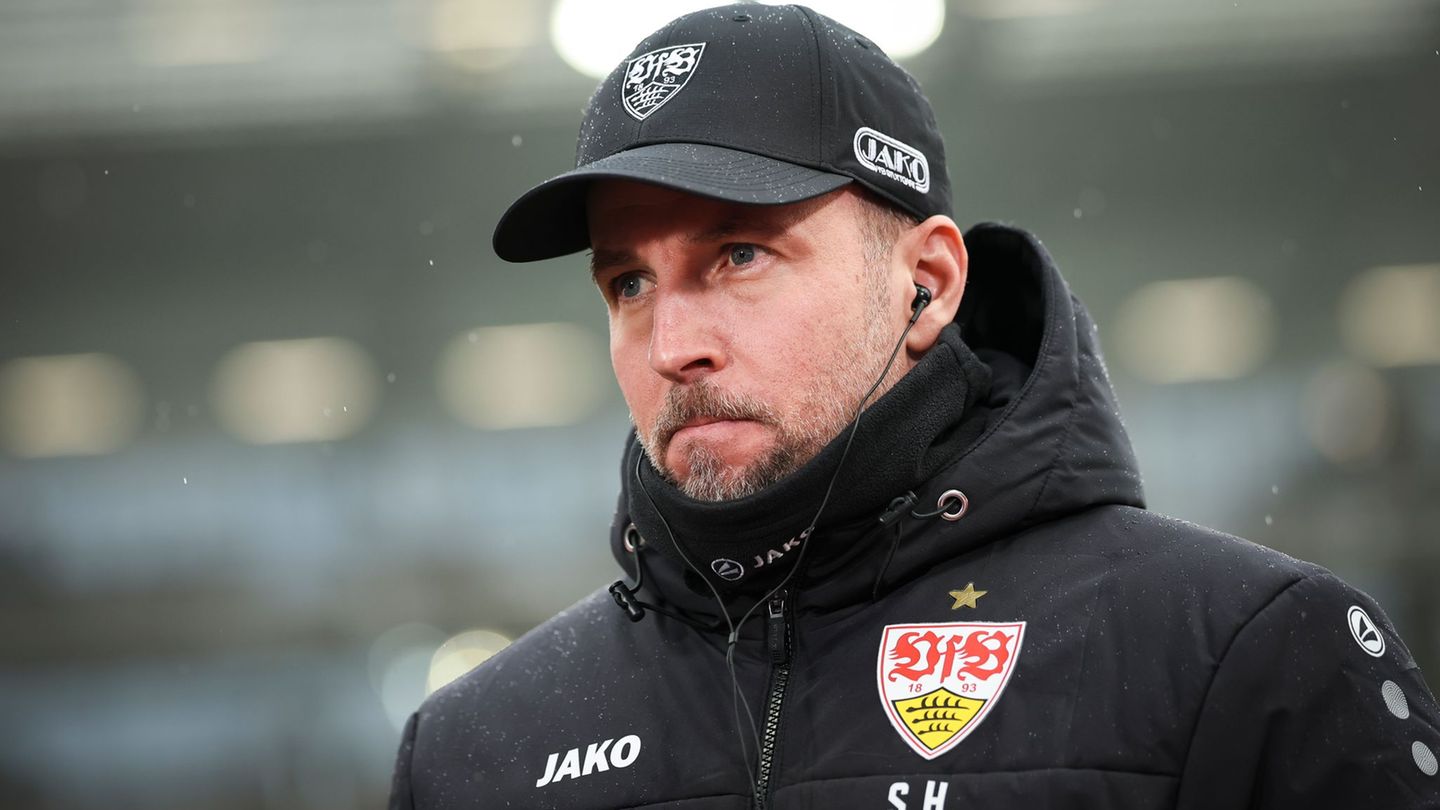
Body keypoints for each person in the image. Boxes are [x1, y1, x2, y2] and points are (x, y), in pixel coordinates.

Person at [389, 5, 1440, 808]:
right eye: (629, 284)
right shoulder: (477, 750)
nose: (673, 345)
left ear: (928, 283)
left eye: (740, 254)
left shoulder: (1244, 654)